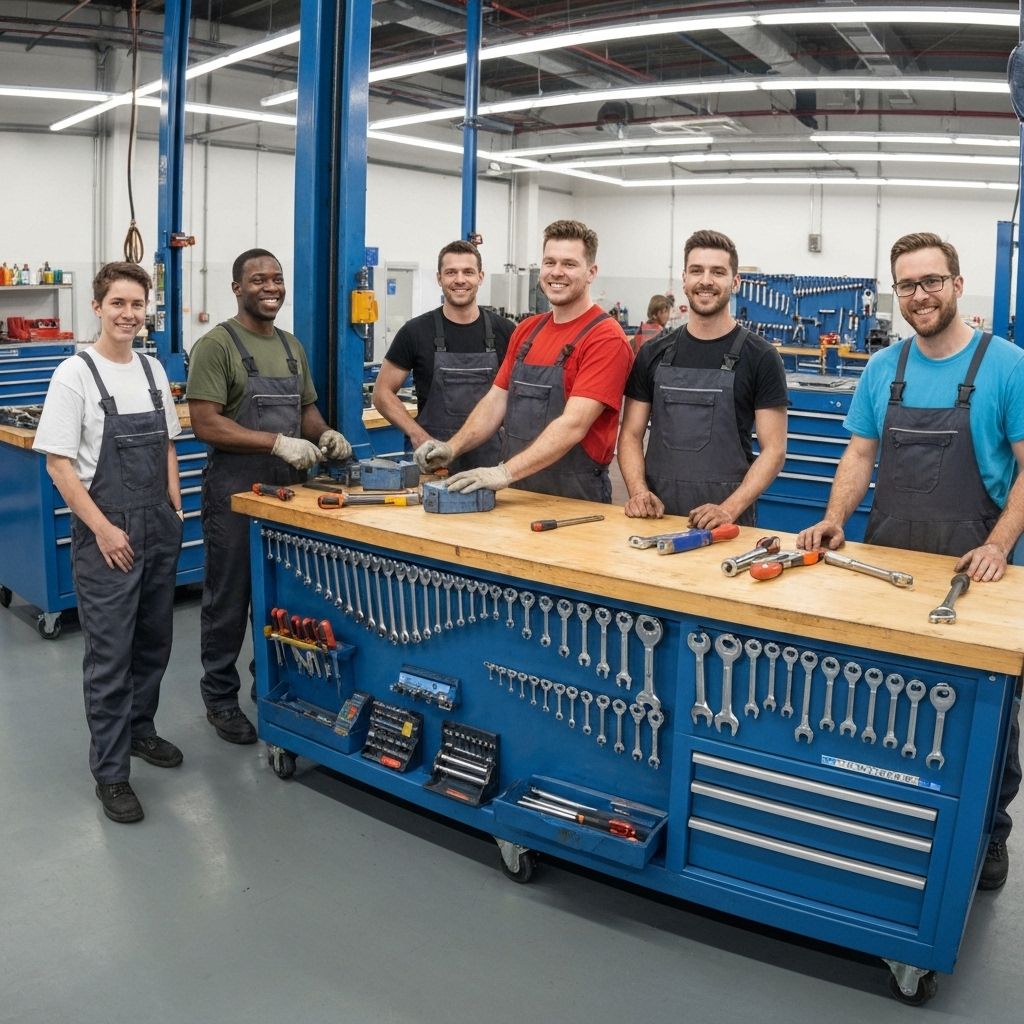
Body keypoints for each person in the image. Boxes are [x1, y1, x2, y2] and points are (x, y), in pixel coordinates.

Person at [797, 231, 1024, 891]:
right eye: (907, 285)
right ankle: (889, 814)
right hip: (890, 553)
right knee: (883, 694)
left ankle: (990, 835)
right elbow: (860, 456)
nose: (919, 295)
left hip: (975, 561)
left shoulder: (1006, 365)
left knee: (989, 706)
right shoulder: (882, 368)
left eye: (931, 281)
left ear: (957, 284)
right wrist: (835, 520)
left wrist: (998, 546)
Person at [34, 262, 184, 823]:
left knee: (154, 641)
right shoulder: (75, 374)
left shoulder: (150, 369)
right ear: (97, 307)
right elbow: (59, 464)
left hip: (157, 526)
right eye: (118, 303)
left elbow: (168, 443)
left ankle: (141, 730)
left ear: (148, 312)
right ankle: (112, 772)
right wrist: (103, 528)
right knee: (110, 655)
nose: (128, 314)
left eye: (137, 305)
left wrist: (174, 504)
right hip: (109, 531)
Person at [186, 249, 351, 744]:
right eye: (259, 279)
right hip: (236, 489)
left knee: (282, 596)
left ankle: (272, 686)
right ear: (237, 288)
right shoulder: (217, 346)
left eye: (277, 278)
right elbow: (205, 423)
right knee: (229, 598)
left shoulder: (291, 346)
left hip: (291, 491)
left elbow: (308, 412)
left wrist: (324, 436)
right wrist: (276, 443)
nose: (271, 286)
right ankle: (219, 698)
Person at [414, 219, 633, 502]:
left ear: (591, 272)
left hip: (573, 499)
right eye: (549, 262)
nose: (557, 273)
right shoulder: (528, 331)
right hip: (516, 490)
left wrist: (503, 473)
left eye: (569, 264)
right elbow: (495, 401)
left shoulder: (605, 338)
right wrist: (452, 448)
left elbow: (574, 424)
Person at [618, 229, 788, 528]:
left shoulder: (761, 357)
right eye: (697, 271)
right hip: (657, 515)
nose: (706, 281)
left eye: (718, 272)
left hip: (726, 522)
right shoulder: (653, 353)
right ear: (684, 279)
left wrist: (728, 509)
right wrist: (638, 492)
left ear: (735, 282)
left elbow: (774, 450)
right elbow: (630, 435)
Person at [371, 240, 514, 472]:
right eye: (451, 273)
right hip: (434, 465)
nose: (459, 280)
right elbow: (381, 394)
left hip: (493, 464)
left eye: (468, 272)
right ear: (439, 278)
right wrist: (419, 437)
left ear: (480, 276)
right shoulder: (415, 331)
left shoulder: (506, 331)